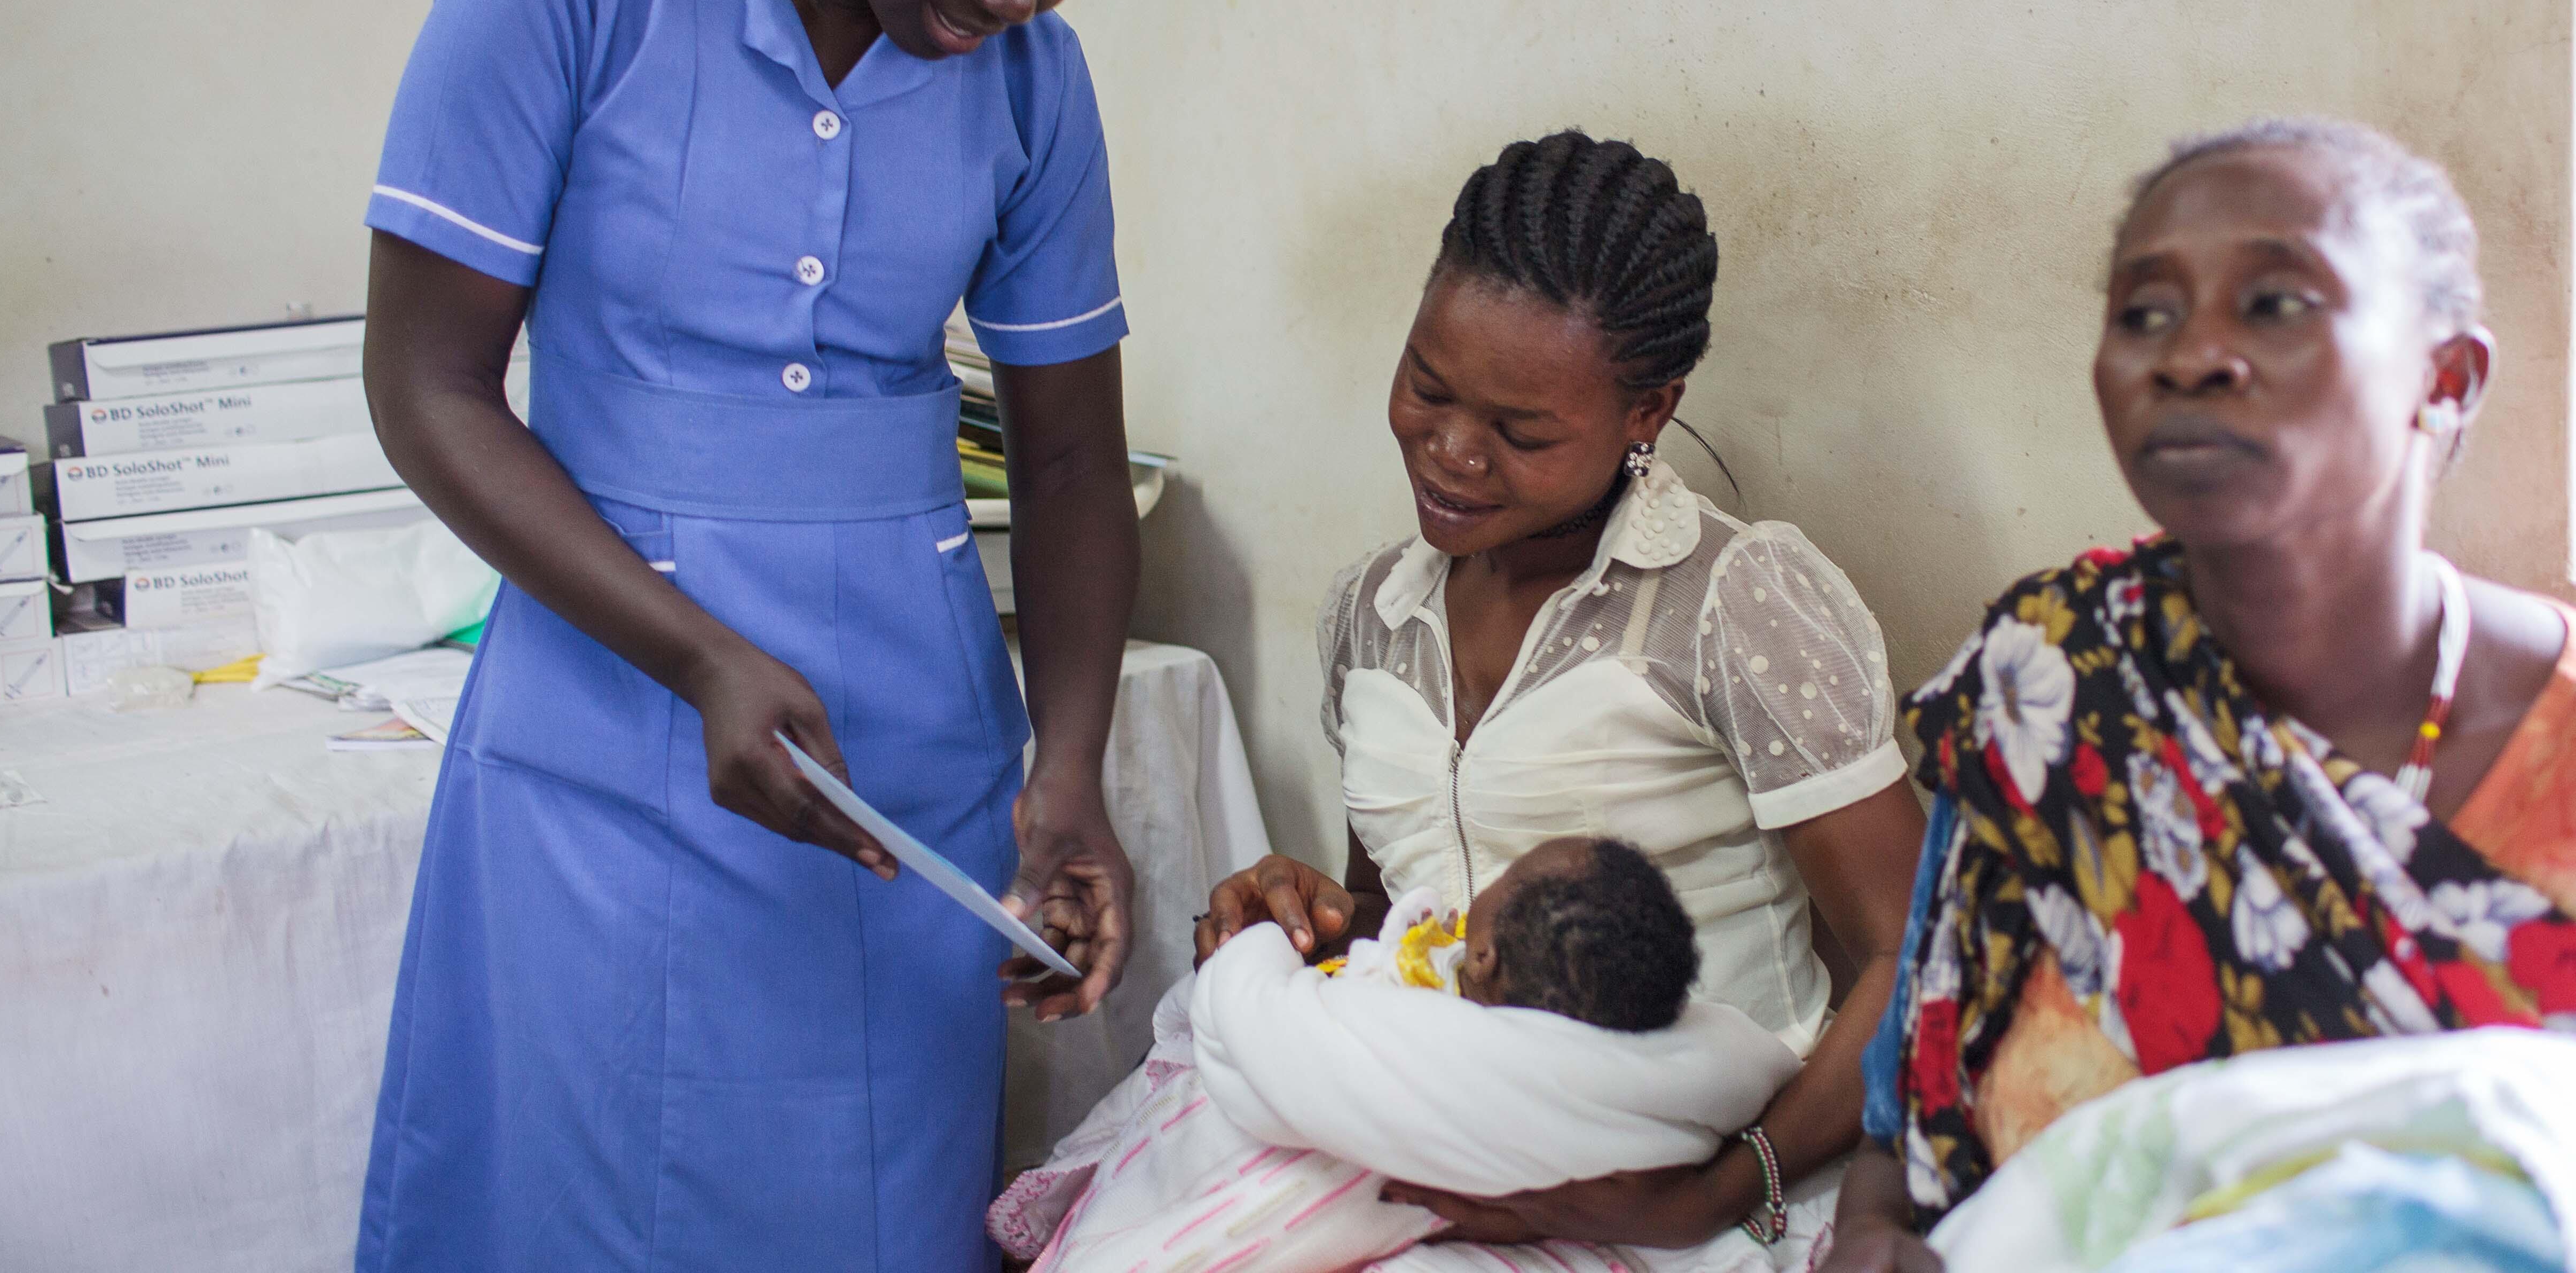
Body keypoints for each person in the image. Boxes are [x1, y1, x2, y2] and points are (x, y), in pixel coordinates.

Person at [351, 0, 1179, 1270]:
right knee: (577, 1201)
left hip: (905, 767)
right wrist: (702, 656)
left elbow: (1075, 464)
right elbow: (431, 389)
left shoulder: (1032, 84)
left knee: (864, 1203)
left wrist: (1064, 772)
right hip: (609, 710)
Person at [1824, 119, 2576, 1273]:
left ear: (2445, 378)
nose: (2187, 355)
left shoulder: (2554, 753)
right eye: (2143, 312)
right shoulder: (2055, 684)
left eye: (2273, 303)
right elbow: (1901, 1136)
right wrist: (1871, 1237)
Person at [1197, 132, 1929, 1254]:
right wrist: (1309, 916)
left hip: (1678, 1186)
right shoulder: (1372, 615)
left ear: (1647, 412)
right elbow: (1406, 921)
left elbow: (1913, 951)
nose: (1448, 452)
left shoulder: (1733, 604)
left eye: (1519, 431)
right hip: (1437, 1148)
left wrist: (1709, 1196)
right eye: (1425, 387)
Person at [998, 838, 1801, 1273]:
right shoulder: (1659, 1070)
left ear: (1480, 962)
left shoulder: (1429, 1040)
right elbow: (1742, 1062)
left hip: (1353, 1180)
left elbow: (1257, 1024)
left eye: (1501, 880)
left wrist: (1265, 948)